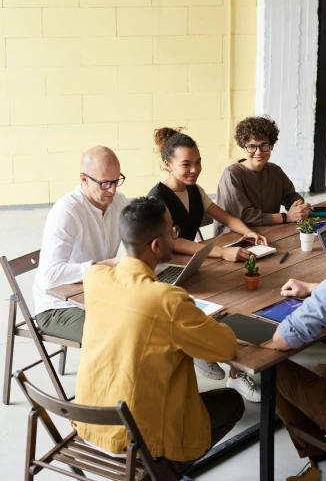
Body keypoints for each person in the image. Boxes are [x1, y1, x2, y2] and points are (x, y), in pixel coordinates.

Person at [74, 197, 245, 476]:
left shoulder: (95, 278)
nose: (174, 236)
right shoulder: (167, 300)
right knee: (232, 403)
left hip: (89, 423)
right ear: (156, 245)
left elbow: (105, 269)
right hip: (134, 439)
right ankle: (160, 474)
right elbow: (226, 348)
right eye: (172, 232)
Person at [148, 127, 266, 400]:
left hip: (191, 264)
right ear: (168, 165)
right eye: (186, 164)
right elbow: (172, 242)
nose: (194, 169)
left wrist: (245, 231)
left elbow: (223, 216)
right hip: (164, 271)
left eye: (198, 162)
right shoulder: (157, 198)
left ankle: (225, 363)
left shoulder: (195, 190)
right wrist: (220, 252)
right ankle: (207, 352)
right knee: (222, 301)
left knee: (233, 297)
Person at [272, 188, 326, 481]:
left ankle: (320, 463)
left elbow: (283, 339)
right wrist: (313, 289)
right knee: (319, 370)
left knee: (275, 372)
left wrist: (325, 291)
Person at [33, 146, 128, 343]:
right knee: (112, 338)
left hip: (97, 294)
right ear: (84, 179)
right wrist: (110, 264)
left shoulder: (119, 202)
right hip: (58, 307)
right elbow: (49, 277)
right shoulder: (67, 211)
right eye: (103, 183)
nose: (112, 190)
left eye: (116, 181)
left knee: (149, 318)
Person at [214, 116, 310, 235]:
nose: (258, 152)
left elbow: (290, 196)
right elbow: (245, 216)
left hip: (269, 231)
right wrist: (286, 217)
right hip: (235, 238)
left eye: (264, 145)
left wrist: (298, 207)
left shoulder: (275, 170)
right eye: (252, 146)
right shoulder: (232, 175)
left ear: (271, 146)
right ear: (243, 147)